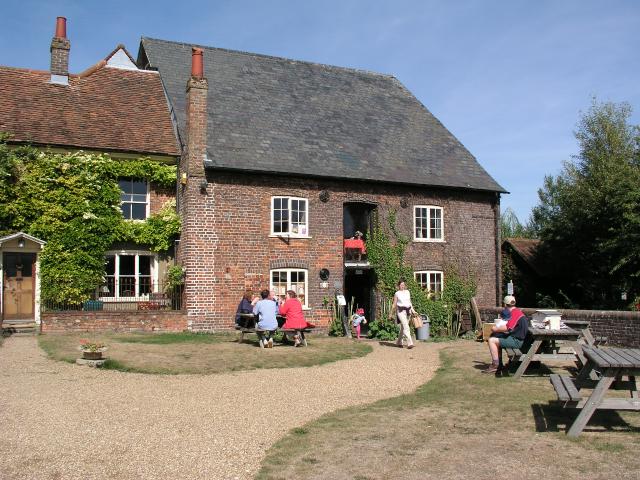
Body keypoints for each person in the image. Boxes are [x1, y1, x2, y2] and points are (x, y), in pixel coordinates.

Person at [484, 295, 528, 374]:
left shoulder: (515, 313)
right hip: (516, 338)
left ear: (505, 304)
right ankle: (499, 364)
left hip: (517, 341)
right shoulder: (516, 311)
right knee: (495, 336)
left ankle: (495, 365)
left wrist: (495, 329)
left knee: (492, 340)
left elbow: (508, 328)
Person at [392, 279, 415, 349]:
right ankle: (410, 343)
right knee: (406, 326)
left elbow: (410, 302)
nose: (402, 286)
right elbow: (394, 304)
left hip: (408, 311)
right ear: (398, 286)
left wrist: (413, 311)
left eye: (403, 285)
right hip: (400, 311)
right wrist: (390, 313)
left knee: (403, 328)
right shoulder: (397, 293)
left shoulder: (408, 292)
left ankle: (399, 342)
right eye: (401, 285)